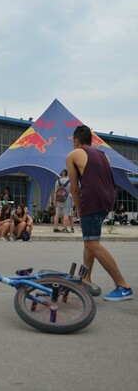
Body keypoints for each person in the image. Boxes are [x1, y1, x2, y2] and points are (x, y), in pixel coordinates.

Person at [66, 125, 133, 301]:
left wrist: (79, 209)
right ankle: (86, 278)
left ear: (75, 141)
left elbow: (74, 188)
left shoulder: (72, 155)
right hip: (108, 198)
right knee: (90, 241)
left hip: (92, 199)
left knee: (92, 244)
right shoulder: (103, 155)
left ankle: (123, 285)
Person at [53, 169, 73, 233]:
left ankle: (55, 228)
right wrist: (73, 201)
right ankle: (64, 228)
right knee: (66, 214)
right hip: (66, 199)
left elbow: (55, 192)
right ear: (67, 174)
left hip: (58, 200)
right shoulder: (70, 181)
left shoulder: (57, 181)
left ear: (61, 174)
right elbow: (72, 192)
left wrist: (54, 201)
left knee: (57, 214)